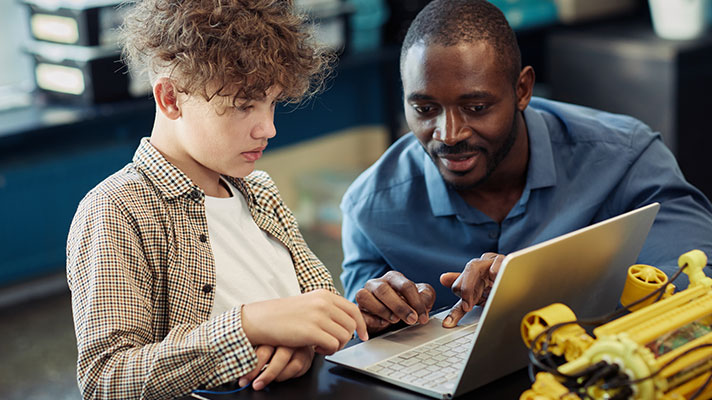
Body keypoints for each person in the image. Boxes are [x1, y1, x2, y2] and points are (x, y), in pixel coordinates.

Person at [341, 0, 712, 334]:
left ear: (522, 90)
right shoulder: (370, 207)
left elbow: (700, 284)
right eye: (424, 110)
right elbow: (357, 328)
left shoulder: (626, 158)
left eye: (476, 107)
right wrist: (376, 314)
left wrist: (544, 288)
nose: (449, 134)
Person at [65, 1, 367, 399]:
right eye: (244, 106)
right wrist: (246, 326)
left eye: (273, 102)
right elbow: (106, 378)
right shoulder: (116, 209)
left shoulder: (260, 192)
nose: (269, 128)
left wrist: (308, 341)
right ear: (171, 98)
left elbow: (317, 304)